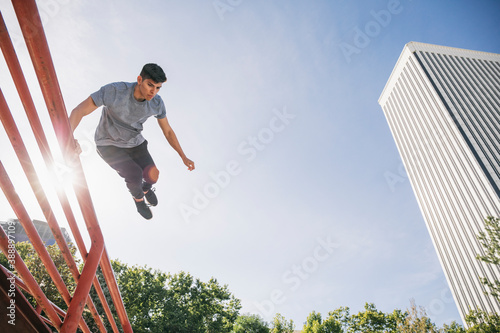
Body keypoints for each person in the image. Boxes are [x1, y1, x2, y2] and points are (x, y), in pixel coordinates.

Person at [69, 63, 194, 220]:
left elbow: (167, 130)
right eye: (150, 85)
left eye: (157, 88)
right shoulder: (115, 91)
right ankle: (139, 200)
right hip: (108, 143)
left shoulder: (157, 103)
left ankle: (146, 189)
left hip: (135, 142)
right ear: (139, 79)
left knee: (153, 176)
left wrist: (183, 156)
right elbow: (80, 110)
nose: (153, 92)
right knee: (134, 174)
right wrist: (68, 137)